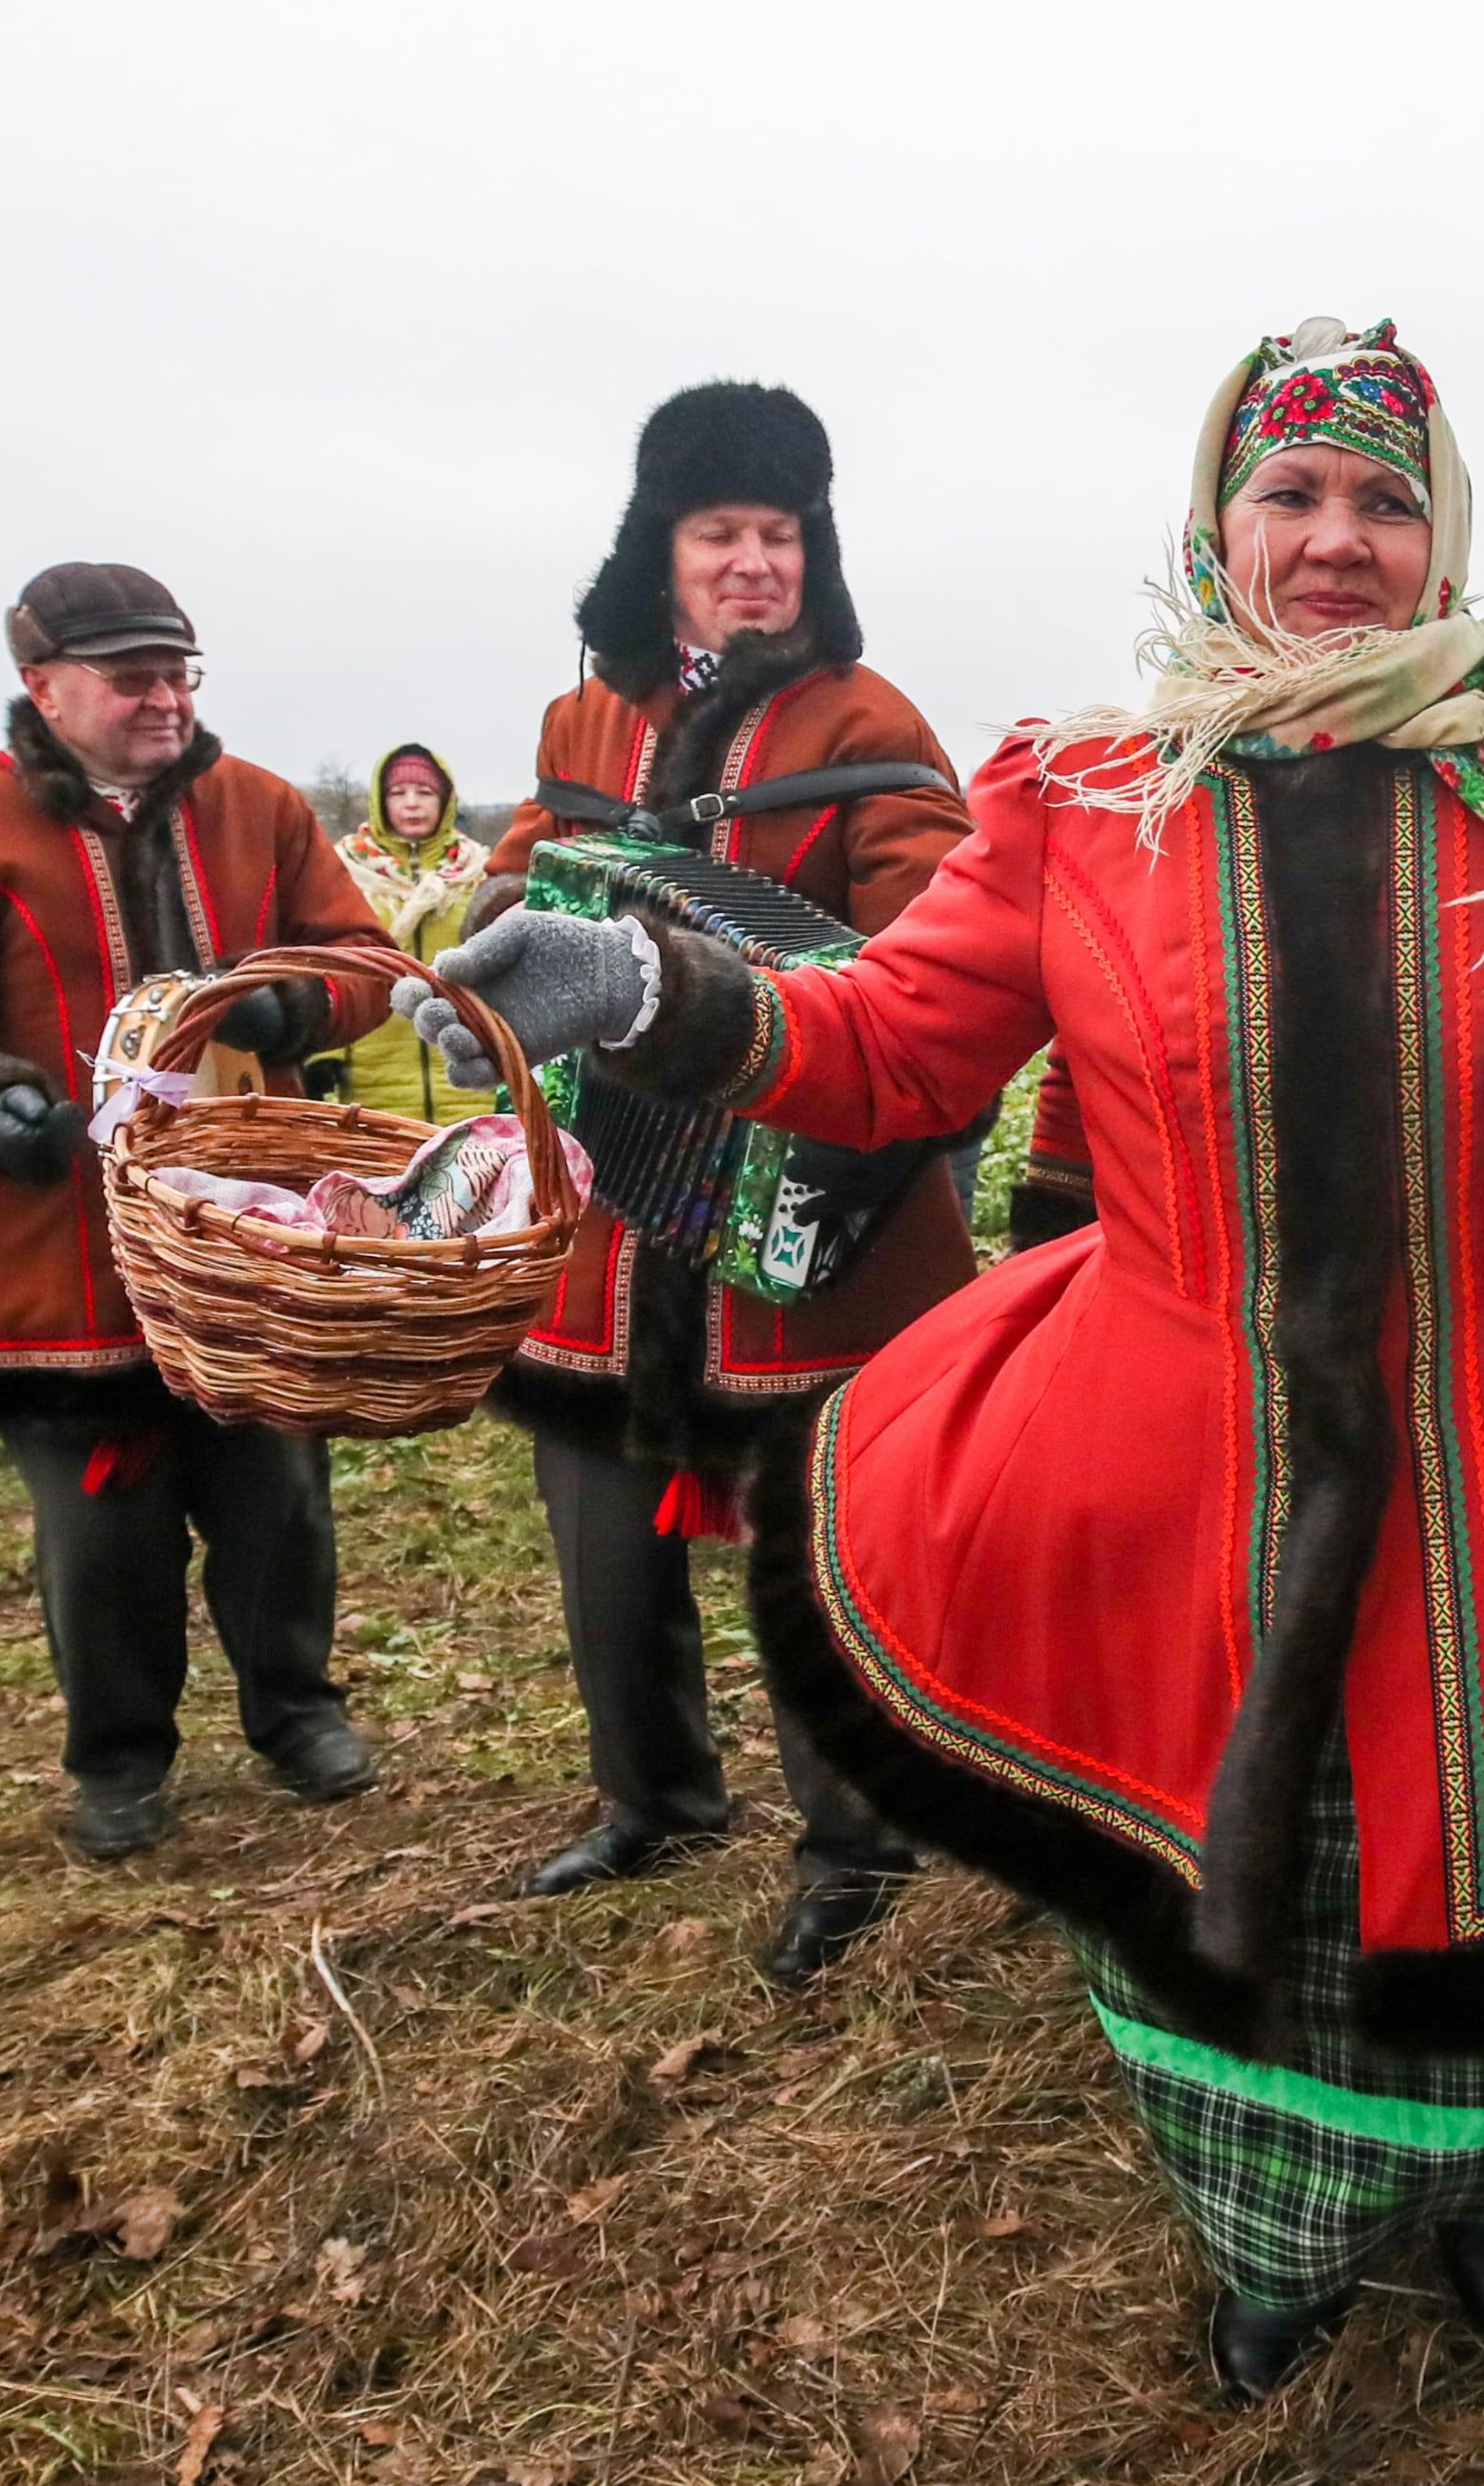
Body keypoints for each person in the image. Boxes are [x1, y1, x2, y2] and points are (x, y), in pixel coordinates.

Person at [400, 317, 1484, 2398]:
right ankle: (1270, 2230)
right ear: (1217, 519)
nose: (1338, 543)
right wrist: (634, 977)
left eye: (1385, 502)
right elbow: (889, 1045)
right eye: (1294, 496)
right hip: (1170, 1430)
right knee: (1240, 1864)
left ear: (1446, 535)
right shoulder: (1082, 793)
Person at [474, 382, 979, 1991]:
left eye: (779, 534)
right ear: (662, 551)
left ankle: (857, 1840)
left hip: (807, 1203)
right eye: (721, 534)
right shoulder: (582, 721)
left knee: (810, 1544)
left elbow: (926, 956)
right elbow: (527, 872)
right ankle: (651, 1798)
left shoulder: (867, 722)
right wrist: (473, 962)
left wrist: (752, 1006)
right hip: (612, 1219)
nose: (753, 562)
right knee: (602, 1528)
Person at [0, 563, 395, 1857]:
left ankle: (296, 1708)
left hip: (248, 1236)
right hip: (59, 1245)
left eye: (178, 673)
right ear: (46, 687)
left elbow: (368, 960)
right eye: (132, 676)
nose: (164, 697)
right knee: (101, 1527)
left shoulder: (257, 807)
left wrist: (293, 1003)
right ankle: (119, 1753)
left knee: (279, 1501)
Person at [314, 744, 491, 1121]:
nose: (412, 804)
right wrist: (321, 1055)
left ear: (445, 801)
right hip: (370, 1084)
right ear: (380, 800)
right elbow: (324, 965)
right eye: (398, 793)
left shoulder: (480, 874)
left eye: (425, 793)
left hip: (468, 1078)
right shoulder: (342, 872)